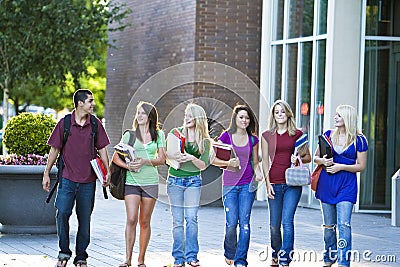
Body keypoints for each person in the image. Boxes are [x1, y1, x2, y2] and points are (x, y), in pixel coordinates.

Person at [42, 89, 111, 267]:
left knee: (84, 219)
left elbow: (102, 148)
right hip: (66, 179)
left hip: (88, 182)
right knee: (62, 214)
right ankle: (64, 252)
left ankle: (81, 256)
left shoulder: (95, 124)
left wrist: (107, 171)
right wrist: (46, 173)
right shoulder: (65, 123)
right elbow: (54, 149)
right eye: (90, 101)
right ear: (80, 103)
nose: (93, 104)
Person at [112, 101, 166, 267]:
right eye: (138, 113)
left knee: (144, 222)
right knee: (131, 218)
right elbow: (115, 157)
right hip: (131, 182)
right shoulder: (130, 135)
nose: (139, 116)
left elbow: (162, 159)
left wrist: (144, 161)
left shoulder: (159, 135)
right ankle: (127, 259)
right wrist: (128, 166)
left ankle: (141, 260)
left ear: (150, 116)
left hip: (150, 183)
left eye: (143, 113)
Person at [314, 105, 368, 267]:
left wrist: (341, 166)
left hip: (347, 185)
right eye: (336, 115)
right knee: (329, 226)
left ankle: (344, 262)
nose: (335, 118)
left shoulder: (359, 140)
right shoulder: (328, 135)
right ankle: (330, 256)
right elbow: (316, 157)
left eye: (339, 116)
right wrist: (323, 161)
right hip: (327, 184)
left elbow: (361, 166)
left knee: (344, 224)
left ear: (348, 118)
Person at [260, 100, 311, 267]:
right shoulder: (267, 135)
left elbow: (308, 157)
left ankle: (285, 258)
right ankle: (275, 253)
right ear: (273, 115)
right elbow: (265, 162)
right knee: (275, 225)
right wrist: (267, 185)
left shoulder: (297, 134)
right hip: (274, 182)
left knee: (287, 221)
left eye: (283, 111)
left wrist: (298, 158)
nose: (280, 114)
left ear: (288, 113)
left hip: (292, 184)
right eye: (277, 112)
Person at [212, 104, 263, 267]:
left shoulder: (253, 139)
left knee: (245, 223)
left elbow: (255, 162)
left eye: (247, 118)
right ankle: (229, 252)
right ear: (235, 118)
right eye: (241, 117)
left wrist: (259, 172)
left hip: (247, 184)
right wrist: (228, 162)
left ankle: (241, 260)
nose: (244, 120)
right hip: (229, 185)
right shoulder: (226, 137)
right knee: (232, 223)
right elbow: (213, 160)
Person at [165, 103, 213, 267]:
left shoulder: (205, 141)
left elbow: (203, 165)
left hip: (193, 181)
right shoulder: (175, 133)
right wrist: (176, 157)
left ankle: (192, 256)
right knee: (178, 221)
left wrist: (191, 158)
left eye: (190, 116)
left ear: (198, 119)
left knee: (191, 218)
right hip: (174, 181)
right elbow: (166, 157)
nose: (187, 118)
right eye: (185, 115)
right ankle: (179, 258)